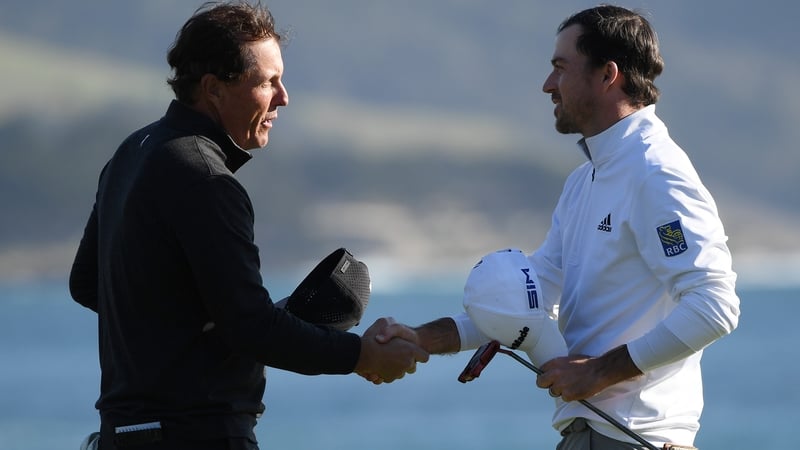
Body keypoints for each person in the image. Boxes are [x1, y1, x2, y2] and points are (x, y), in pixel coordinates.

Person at [375, 5, 740, 449]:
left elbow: (714, 305)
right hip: (587, 436)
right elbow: (532, 298)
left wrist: (599, 372)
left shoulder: (656, 173)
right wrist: (422, 338)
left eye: (560, 69)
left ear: (608, 75)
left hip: (636, 438)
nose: (548, 85)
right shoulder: (584, 180)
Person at [68, 2, 428, 449]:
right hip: (196, 436)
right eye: (267, 82)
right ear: (213, 89)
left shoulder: (132, 151)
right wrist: (360, 355)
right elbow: (251, 327)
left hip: (121, 435)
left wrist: (191, 326)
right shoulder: (207, 178)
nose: (283, 97)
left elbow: (86, 284)